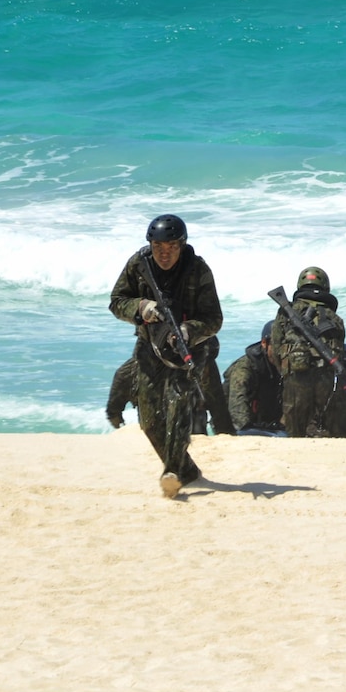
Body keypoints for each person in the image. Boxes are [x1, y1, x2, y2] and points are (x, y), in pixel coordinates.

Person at [108, 213, 224, 497]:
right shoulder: (139, 264)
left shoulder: (198, 270)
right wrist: (142, 307)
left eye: (172, 247)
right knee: (148, 420)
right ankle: (187, 469)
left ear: (182, 244)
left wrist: (188, 331)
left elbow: (214, 319)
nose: (165, 254)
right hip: (149, 349)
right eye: (159, 247)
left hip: (189, 351)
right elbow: (116, 302)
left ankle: (172, 470)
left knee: (178, 408)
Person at [271, 266, 346, 438]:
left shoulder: (286, 312)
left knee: (295, 434)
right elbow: (340, 355)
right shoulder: (335, 318)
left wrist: (285, 370)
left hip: (295, 376)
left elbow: (275, 349)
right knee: (333, 433)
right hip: (327, 378)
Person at [224, 321, 284, 433]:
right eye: (277, 346)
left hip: (269, 424)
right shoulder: (245, 367)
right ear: (264, 343)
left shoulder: (285, 365)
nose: (281, 353)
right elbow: (237, 406)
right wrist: (247, 430)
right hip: (239, 425)